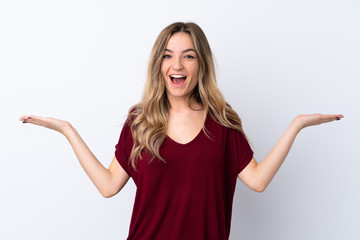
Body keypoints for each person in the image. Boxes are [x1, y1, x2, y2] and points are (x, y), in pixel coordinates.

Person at [19, 22, 343, 240]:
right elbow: (108, 186)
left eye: (188, 56)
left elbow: (257, 181)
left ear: (200, 64)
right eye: (168, 56)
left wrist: (296, 125)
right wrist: (68, 130)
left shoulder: (222, 121)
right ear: (159, 65)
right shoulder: (140, 121)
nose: (177, 65)